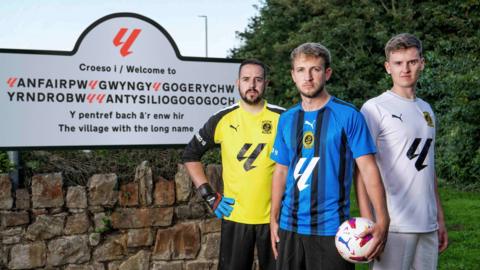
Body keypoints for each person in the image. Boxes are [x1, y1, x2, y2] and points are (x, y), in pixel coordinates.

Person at [269, 42, 390, 270]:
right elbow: (281, 170)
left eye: (315, 69)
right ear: (293, 75)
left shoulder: (347, 115)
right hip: (289, 226)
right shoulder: (286, 119)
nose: (308, 77)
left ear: (327, 73)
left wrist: (382, 219)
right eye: (301, 70)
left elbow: (368, 169)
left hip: (332, 230)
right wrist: (273, 217)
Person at [357, 33, 448, 270]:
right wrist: (369, 223)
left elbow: (428, 166)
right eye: (398, 63)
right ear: (388, 67)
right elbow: (362, 170)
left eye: (412, 62)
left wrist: (439, 217)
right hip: (394, 224)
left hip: (427, 224)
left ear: (422, 63)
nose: (405, 69)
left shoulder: (426, 109)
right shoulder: (374, 108)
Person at [183, 59, 284, 270]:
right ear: (238, 82)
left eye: (258, 79)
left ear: (266, 83)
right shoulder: (222, 118)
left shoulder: (283, 117)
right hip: (236, 216)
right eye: (246, 79)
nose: (252, 85)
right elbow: (190, 155)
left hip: (275, 218)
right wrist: (209, 195)